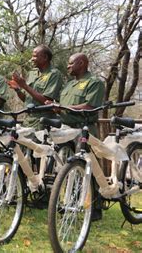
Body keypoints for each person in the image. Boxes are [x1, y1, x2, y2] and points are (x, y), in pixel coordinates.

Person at [49, 52, 105, 221]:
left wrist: (63, 107)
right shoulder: (68, 85)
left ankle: (95, 207)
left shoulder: (94, 82)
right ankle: (70, 202)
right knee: (68, 168)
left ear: (81, 63)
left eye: (71, 63)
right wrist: (55, 107)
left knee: (89, 167)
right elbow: (63, 106)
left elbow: (90, 106)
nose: (68, 66)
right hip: (66, 130)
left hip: (84, 130)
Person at [8, 45, 64, 130]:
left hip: (43, 120)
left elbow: (46, 101)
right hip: (28, 119)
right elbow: (26, 99)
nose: (32, 59)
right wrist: (17, 89)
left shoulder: (54, 74)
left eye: (35, 56)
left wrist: (25, 86)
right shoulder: (32, 73)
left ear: (45, 57)